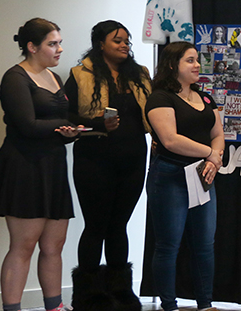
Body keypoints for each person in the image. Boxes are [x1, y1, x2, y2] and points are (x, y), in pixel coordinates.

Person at [0, 18, 82, 311]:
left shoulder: (54, 77)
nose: (59, 49)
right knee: (23, 246)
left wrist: (71, 134)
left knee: (54, 246)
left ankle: (55, 306)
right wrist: (66, 125)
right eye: (53, 43)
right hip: (24, 166)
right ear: (32, 47)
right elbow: (26, 125)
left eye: (59, 42)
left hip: (53, 166)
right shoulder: (15, 77)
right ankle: (12, 308)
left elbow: (54, 129)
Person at [63, 20, 152, 311]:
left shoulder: (140, 75)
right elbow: (67, 118)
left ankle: (121, 295)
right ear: (100, 44)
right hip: (94, 161)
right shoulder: (80, 75)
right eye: (117, 40)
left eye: (127, 40)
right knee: (96, 226)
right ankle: (88, 298)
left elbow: (153, 113)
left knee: (119, 226)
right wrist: (97, 123)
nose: (125, 45)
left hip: (134, 160)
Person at [145, 42, 224, 311]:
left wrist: (215, 156)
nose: (197, 65)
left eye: (197, 60)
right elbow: (170, 140)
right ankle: (169, 305)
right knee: (169, 245)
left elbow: (218, 135)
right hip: (170, 176)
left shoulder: (205, 98)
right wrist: (210, 154)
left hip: (203, 176)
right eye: (190, 60)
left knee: (205, 244)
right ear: (172, 65)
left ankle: (205, 304)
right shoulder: (160, 98)